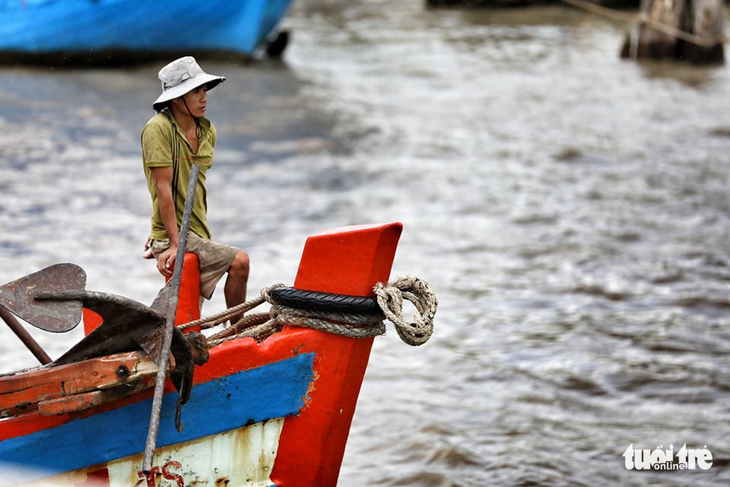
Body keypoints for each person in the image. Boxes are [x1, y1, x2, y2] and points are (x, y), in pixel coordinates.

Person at [141, 56, 249, 321]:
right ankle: (239, 331)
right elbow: (163, 189)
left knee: (190, 314)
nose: (204, 98)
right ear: (177, 98)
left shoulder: (206, 130)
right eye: (195, 92)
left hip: (199, 228)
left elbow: (194, 184)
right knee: (240, 262)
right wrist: (170, 241)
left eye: (204, 91)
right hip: (176, 235)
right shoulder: (158, 129)